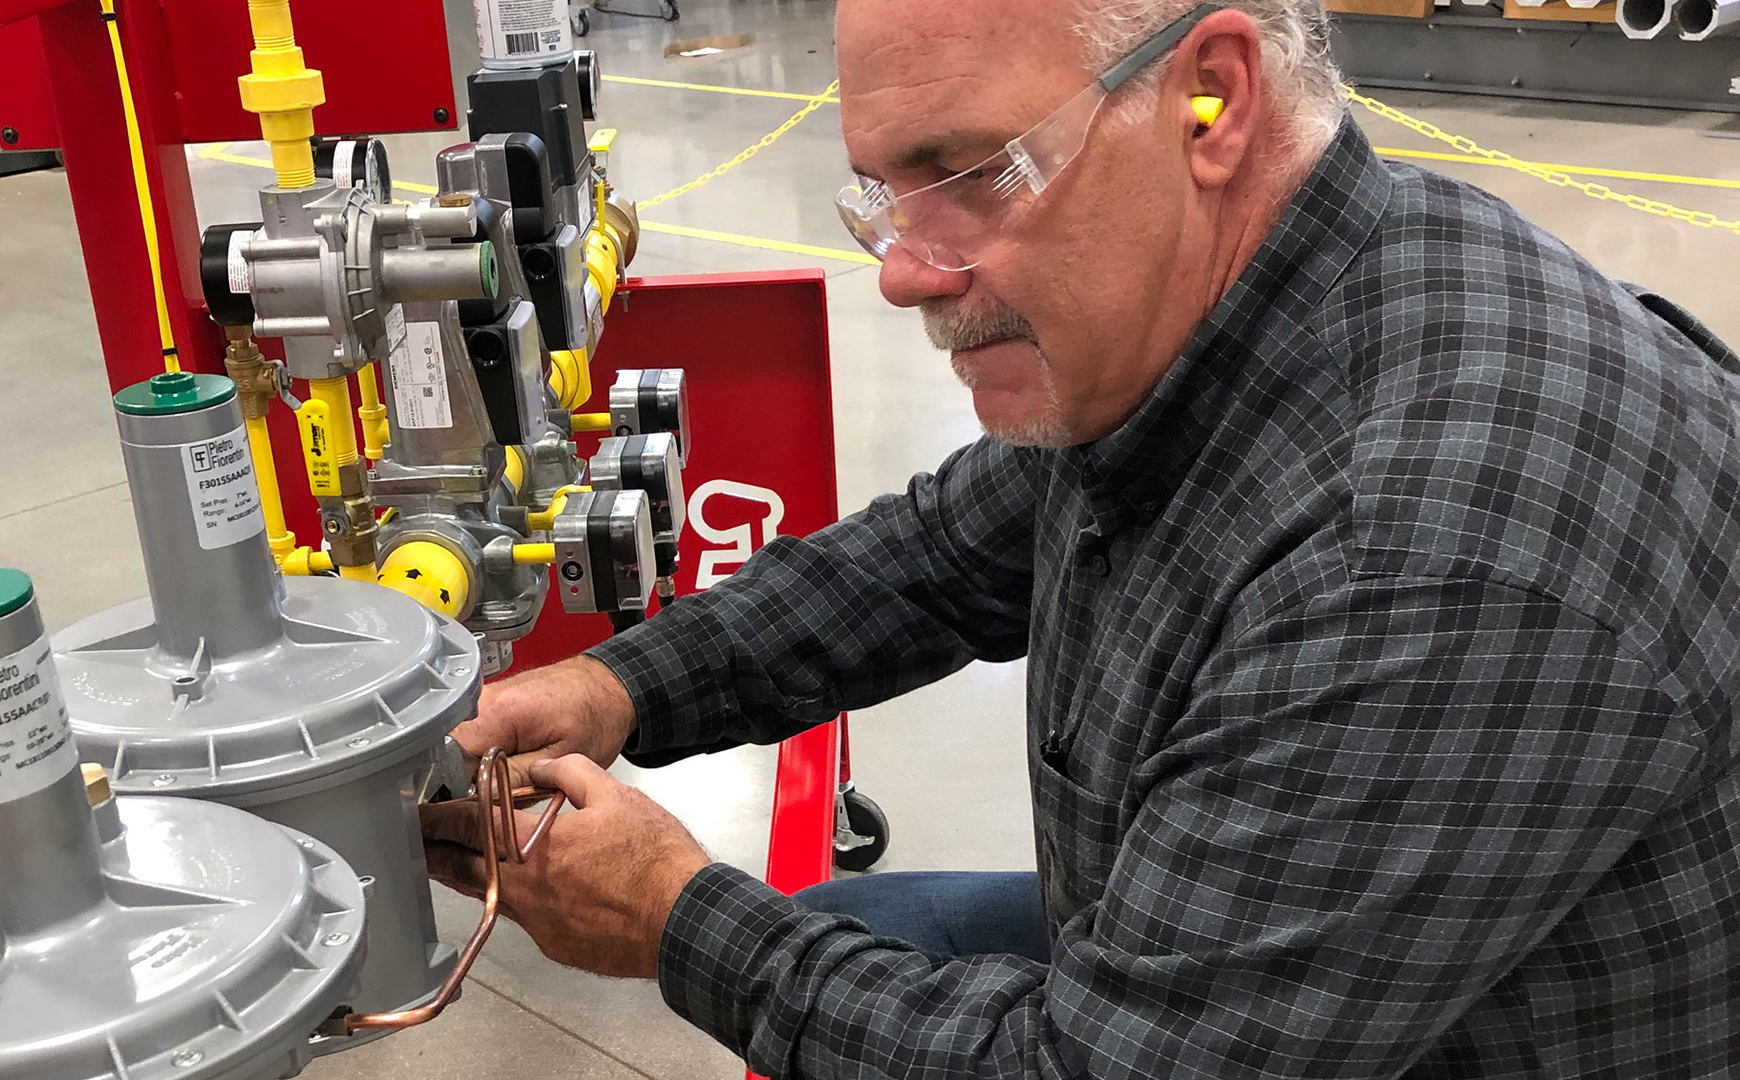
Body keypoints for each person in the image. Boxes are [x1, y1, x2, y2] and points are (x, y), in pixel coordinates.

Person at [420, 0, 1740, 1074]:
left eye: (967, 173)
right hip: (1265, 962)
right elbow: (934, 560)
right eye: (882, 190)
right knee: (828, 937)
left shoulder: (1430, 552)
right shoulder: (1241, 305)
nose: (902, 269)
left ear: (1212, 97)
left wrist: (669, 914)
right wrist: (615, 688)